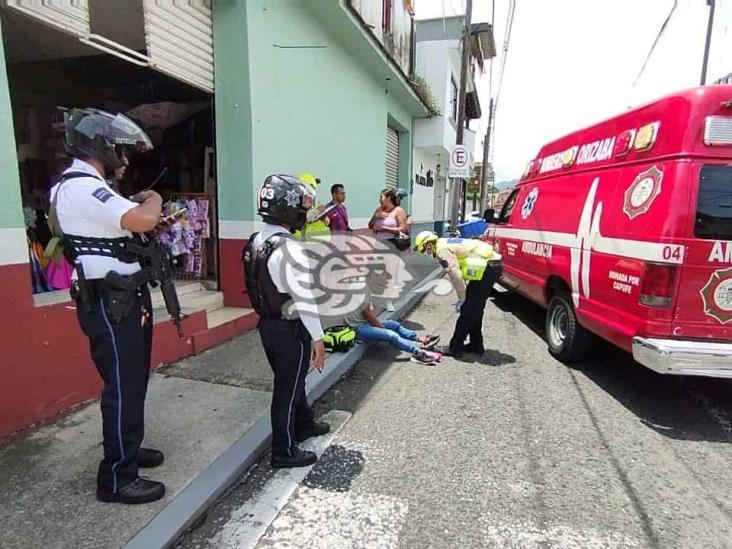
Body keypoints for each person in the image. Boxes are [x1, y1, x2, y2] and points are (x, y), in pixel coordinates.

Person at [49, 108, 167, 504]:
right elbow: (141, 220)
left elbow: (122, 227)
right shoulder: (81, 186)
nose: (126, 159)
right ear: (99, 145)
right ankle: (116, 478)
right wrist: (154, 199)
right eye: (121, 150)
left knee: (131, 381)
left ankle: (127, 451)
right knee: (123, 384)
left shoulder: (88, 186)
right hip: (111, 301)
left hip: (122, 297)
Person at [243, 174, 330, 468]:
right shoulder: (289, 248)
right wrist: (318, 339)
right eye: (302, 208)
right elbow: (304, 299)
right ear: (288, 208)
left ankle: (304, 422)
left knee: (292, 381)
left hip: (268, 324)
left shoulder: (256, 239)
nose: (304, 213)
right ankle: (283, 450)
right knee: (287, 389)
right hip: (290, 328)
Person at [413, 231, 502, 358]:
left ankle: (455, 348)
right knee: (475, 309)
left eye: (425, 250)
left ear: (428, 245)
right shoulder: (443, 243)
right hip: (490, 267)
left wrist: (462, 299)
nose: (427, 253)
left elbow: (456, 276)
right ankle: (476, 345)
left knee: (468, 310)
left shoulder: (441, 251)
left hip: (488, 269)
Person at [344, 272, 442, 365]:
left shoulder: (363, 286)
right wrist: (381, 328)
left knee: (393, 324)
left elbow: (368, 312)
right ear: (373, 276)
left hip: (364, 322)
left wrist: (380, 324)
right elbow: (367, 313)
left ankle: (420, 339)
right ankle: (418, 353)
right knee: (391, 335)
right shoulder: (362, 290)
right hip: (357, 328)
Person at [369, 188, 409, 312]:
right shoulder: (378, 210)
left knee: (390, 274)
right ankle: (369, 301)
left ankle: (389, 302)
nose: (379, 200)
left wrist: (385, 228)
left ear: (389, 198)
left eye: (381, 197)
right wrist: (376, 217)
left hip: (391, 244)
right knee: (372, 274)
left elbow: (403, 228)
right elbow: (370, 225)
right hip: (378, 244)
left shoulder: (398, 211)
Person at [293, 172, 331, 240]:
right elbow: (299, 218)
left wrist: (324, 217)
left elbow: (327, 221)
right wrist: (317, 211)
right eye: (311, 188)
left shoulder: (315, 202)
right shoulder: (294, 202)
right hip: (300, 240)